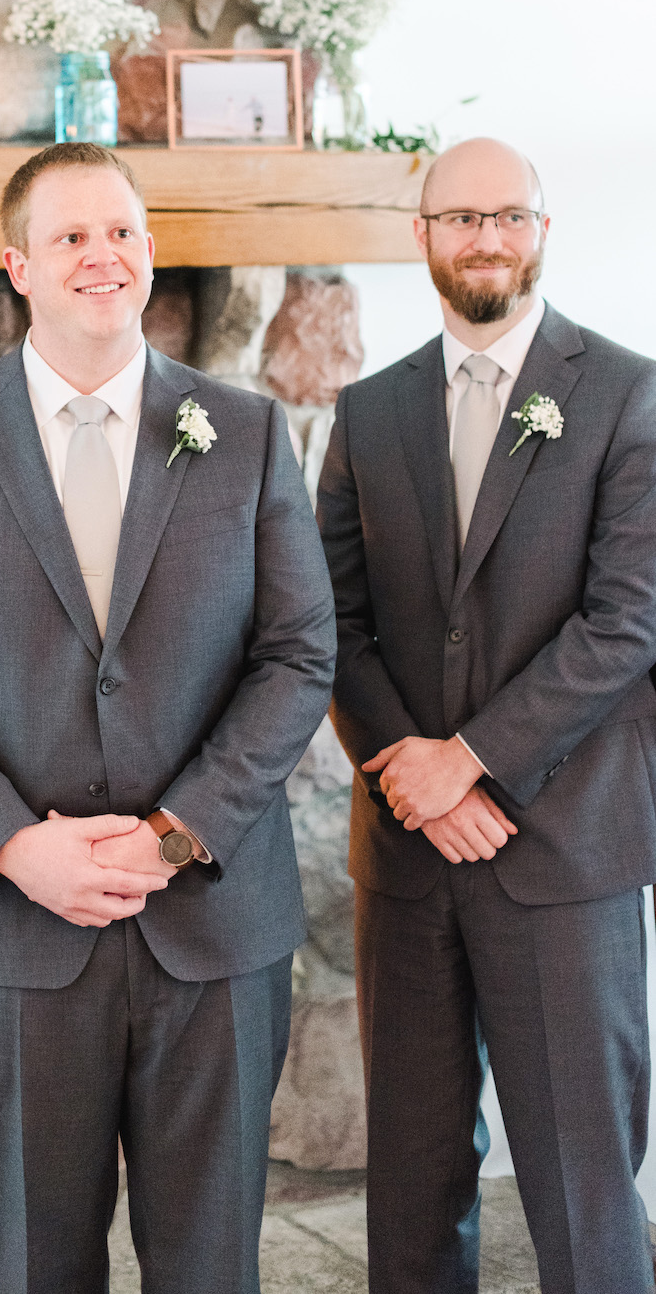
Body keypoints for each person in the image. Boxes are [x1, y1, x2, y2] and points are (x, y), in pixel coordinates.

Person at [0, 142, 336, 1294]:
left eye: (121, 231)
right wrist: (17, 845)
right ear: (18, 265)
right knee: (42, 1264)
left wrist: (176, 833)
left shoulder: (250, 431)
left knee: (213, 1265)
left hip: (213, 926)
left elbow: (298, 652)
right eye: (70, 236)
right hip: (17, 941)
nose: (101, 255)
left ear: (152, 250)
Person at [317, 137, 656, 1294]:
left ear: (543, 231)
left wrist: (471, 764)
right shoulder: (367, 412)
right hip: (408, 857)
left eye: (509, 215)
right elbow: (331, 619)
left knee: (581, 1179)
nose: (486, 238)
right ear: (420, 237)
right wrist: (408, 773)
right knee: (411, 1181)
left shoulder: (627, 393)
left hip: (564, 849)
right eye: (459, 217)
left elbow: (626, 622)